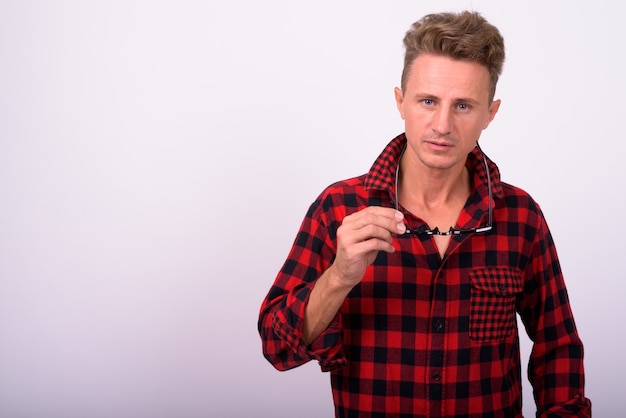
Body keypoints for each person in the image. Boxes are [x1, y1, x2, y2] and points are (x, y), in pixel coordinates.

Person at [258, 10, 591, 417]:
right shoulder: (338, 208)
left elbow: (558, 346)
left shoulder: (520, 216)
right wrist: (339, 277)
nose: (442, 124)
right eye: (428, 101)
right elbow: (276, 348)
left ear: (491, 113)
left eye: (464, 106)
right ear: (401, 102)